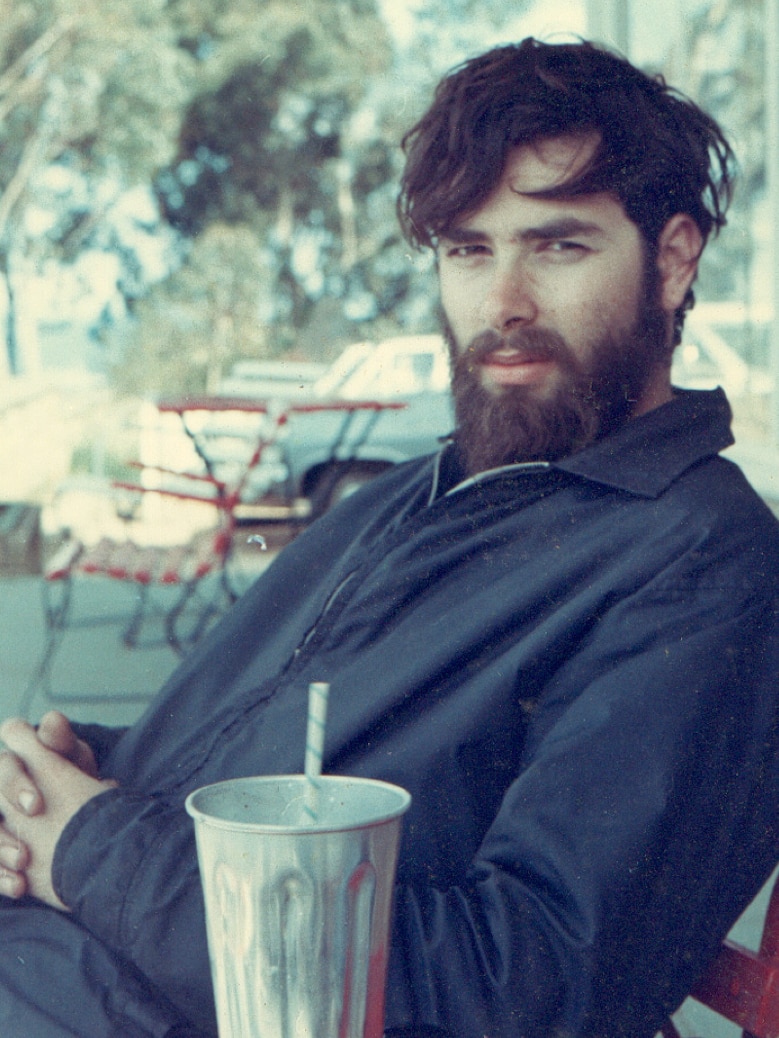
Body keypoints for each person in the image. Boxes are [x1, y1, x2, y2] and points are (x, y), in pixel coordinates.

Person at [1, 37, 779, 1038]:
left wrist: (92, 847)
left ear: (671, 261)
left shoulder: (701, 564)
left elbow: (528, 986)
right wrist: (57, 783)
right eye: (467, 250)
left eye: (557, 246)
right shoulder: (415, 497)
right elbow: (265, 772)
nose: (499, 303)